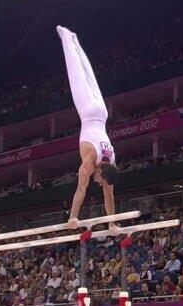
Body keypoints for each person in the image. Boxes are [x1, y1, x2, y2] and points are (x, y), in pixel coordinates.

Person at [56, 26, 119, 229]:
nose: (98, 183)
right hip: (88, 113)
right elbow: (80, 189)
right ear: (102, 173)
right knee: (76, 74)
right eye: (100, 182)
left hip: (102, 113)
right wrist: (73, 217)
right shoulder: (90, 161)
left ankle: (76, 40)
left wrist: (112, 224)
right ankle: (66, 37)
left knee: (89, 74)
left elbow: (108, 196)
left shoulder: (111, 162)